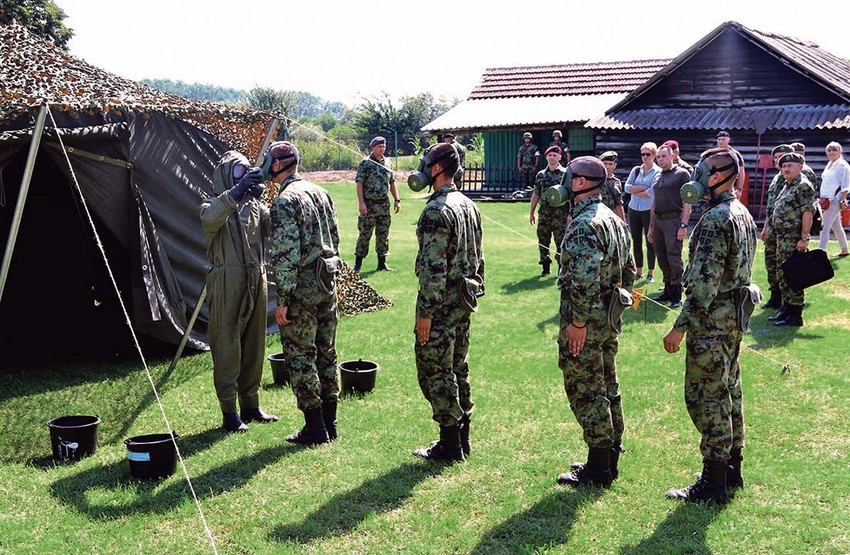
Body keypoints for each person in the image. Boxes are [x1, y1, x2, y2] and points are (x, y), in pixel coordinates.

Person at [663, 147, 757, 503]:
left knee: (707, 396)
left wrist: (679, 326)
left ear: (718, 176)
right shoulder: (740, 211)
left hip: (712, 321)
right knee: (729, 390)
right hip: (732, 318)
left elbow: (704, 285)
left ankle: (713, 481)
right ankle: (731, 469)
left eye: (701, 171)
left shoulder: (717, 218)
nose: (696, 177)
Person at [555, 156, 636, 487]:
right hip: (606, 318)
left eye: (567, 176)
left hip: (586, 323)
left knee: (586, 389)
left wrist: (578, 322)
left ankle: (599, 467)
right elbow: (629, 271)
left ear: (579, 183)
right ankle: (608, 457)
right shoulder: (613, 219)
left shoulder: (584, 224)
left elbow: (585, 279)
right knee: (607, 385)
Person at [412, 142, 485, 462]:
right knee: (458, 366)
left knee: (435, 370)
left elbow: (433, 268)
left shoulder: (437, 210)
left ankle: (450, 444)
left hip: (441, 304)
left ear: (438, 168)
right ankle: (462, 437)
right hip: (463, 300)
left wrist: (425, 313)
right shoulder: (467, 204)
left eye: (427, 162)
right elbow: (479, 257)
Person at [267, 141, 342, 445]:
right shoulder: (320, 192)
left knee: (300, 355)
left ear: (277, 165)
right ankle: (330, 423)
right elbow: (335, 238)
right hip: (327, 281)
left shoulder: (285, 201)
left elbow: (286, 256)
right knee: (326, 350)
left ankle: (315, 427)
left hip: (302, 288)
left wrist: (283, 301)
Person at [199, 150, 278, 433]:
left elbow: (274, 227)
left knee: (255, 344)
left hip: (257, 278)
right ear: (224, 175)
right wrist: (236, 192)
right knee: (227, 346)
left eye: (246, 171)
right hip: (226, 281)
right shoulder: (211, 204)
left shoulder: (254, 207)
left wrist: (264, 197)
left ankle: (251, 404)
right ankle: (229, 411)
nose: (243, 175)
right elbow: (211, 219)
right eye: (237, 171)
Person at [768, 152, 816, 327]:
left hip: (793, 237)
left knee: (793, 274)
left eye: (790, 166)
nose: (786, 169)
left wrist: (804, 238)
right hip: (782, 236)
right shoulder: (787, 185)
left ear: (800, 167)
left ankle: (795, 315)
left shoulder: (803, 185)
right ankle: (786, 310)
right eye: (784, 166)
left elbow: (807, 212)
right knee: (783, 273)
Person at [649, 144, 692, 308]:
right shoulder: (658, 175)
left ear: (672, 156)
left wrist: (683, 225)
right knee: (661, 257)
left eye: (664, 156)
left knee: (674, 258)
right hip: (658, 221)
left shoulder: (682, 174)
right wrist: (651, 227)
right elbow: (654, 203)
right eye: (658, 157)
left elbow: (687, 202)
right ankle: (667, 290)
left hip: (673, 221)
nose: (660, 159)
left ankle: (676, 294)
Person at [354, 136, 400, 273]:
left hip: (384, 204)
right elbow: (359, 183)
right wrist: (361, 203)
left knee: (383, 235)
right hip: (369, 204)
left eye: (384, 146)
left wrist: (397, 200)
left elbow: (392, 182)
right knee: (365, 234)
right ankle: (357, 265)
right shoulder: (365, 163)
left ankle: (382, 263)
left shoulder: (388, 162)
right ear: (373, 148)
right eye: (379, 146)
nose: (382, 149)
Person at [760, 144, 795, 310]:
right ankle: (775, 296)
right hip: (773, 228)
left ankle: (789, 302)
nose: (778, 160)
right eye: (776, 157)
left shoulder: (799, 177)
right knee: (771, 262)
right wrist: (765, 227)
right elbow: (771, 206)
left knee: (786, 266)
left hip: (788, 230)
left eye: (781, 156)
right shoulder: (777, 178)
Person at [529, 145, 568, 276]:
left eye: (554, 155)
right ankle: (545, 267)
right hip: (544, 213)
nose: (552, 158)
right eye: (549, 155)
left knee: (560, 241)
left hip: (560, 214)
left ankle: (561, 269)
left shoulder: (565, 174)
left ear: (560, 157)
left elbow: (571, 194)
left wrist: (571, 213)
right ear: (546, 157)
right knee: (543, 240)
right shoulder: (541, 174)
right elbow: (536, 193)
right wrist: (532, 212)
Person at [624, 142, 659, 282]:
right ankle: (639, 271)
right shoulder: (636, 170)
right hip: (633, 208)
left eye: (648, 154)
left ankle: (650, 272)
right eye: (642, 154)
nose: (644, 157)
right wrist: (642, 188)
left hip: (648, 210)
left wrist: (635, 189)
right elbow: (626, 188)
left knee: (650, 241)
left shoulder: (657, 172)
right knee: (636, 241)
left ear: (654, 155)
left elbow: (651, 193)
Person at [817, 142, 850, 257]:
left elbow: (845, 185)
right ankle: (844, 249)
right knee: (836, 226)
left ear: (840, 152)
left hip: (834, 199)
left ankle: (820, 252)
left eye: (834, 150)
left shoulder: (843, 166)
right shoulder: (830, 164)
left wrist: (843, 200)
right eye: (829, 150)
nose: (831, 152)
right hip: (826, 199)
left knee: (824, 226)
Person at [715, 131, 746, 197]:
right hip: (715, 188)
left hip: (730, 189)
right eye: (719, 139)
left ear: (728, 140)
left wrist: (739, 189)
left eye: (723, 139)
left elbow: (741, 172)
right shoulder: (713, 154)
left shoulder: (735, 154)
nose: (721, 141)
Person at [599, 151, 627, 222]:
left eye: (610, 164)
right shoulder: (596, 181)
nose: (607, 167)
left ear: (615, 165)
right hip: (598, 216)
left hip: (612, 217)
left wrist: (623, 222)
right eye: (605, 163)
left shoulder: (616, 182)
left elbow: (619, 204)